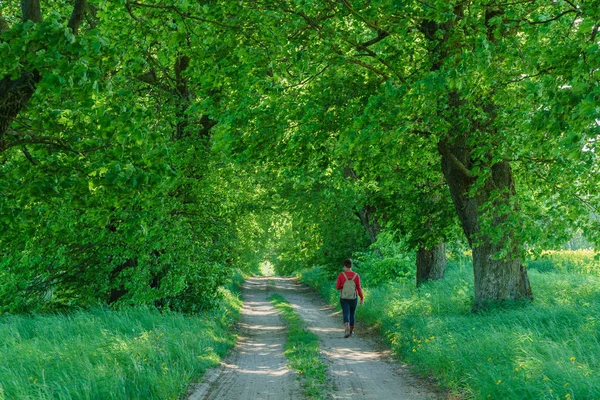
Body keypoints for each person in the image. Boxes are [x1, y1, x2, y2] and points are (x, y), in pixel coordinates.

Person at [336, 258, 364, 338]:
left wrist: (342, 286)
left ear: (344, 266)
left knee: (346, 313)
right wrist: (362, 298)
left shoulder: (341, 275)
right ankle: (351, 331)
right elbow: (359, 288)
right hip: (353, 298)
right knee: (352, 314)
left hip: (344, 298)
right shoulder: (356, 275)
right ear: (351, 265)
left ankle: (347, 328)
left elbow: (337, 287)